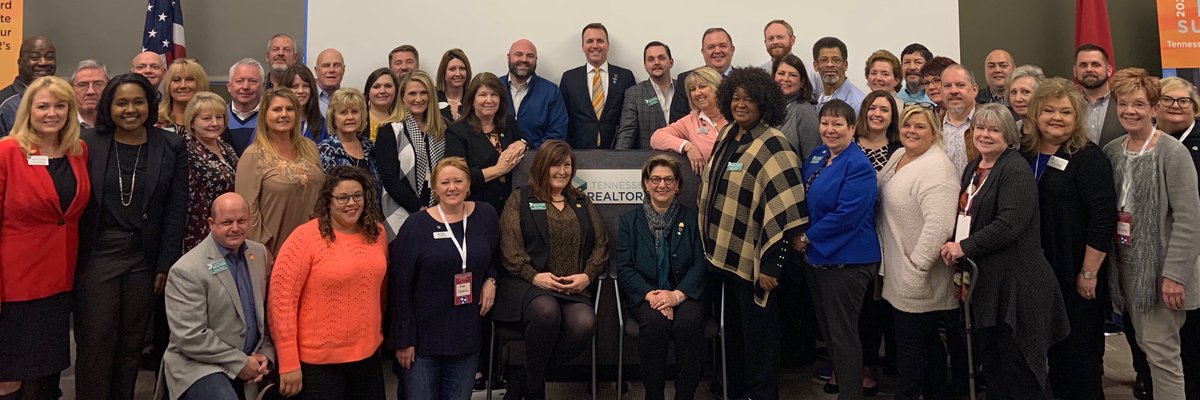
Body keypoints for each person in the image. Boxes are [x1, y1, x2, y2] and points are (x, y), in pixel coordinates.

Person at [939, 103, 1069, 398]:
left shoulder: (1014, 169)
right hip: (988, 284)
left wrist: (964, 247)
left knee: (1021, 370)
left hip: (1018, 287)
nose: (985, 135)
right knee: (995, 368)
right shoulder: (974, 168)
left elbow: (1010, 224)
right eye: (981, 128)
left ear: (1009, 135)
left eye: (994, 130)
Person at [76, 73, 188, 400]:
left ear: (150, 105)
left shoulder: (171, 145)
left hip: (144, 258)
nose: (130, 109)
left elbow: (176, 208)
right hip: (98, 256)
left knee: (131, 344)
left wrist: (165, 263)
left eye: (138, 101)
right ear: (108, 106)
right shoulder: (87, 144)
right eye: (121, 102)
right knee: (96, 343)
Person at [699, 67, 807, 400]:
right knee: (732, 331)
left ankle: (762, 393)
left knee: (759, 335)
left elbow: (786, 211)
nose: (740, 104)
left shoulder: (774, 144)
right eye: (735, 97)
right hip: (723, 255)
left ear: (765, 103)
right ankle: (734, 389)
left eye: (749, 99)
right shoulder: (727, 134)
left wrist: (772, 267)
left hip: (757, 261)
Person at [1103, 68, 1200, 400]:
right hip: (1127, 266)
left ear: (1155, 108)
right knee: (1144, 347)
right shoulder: (1113, 151)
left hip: (1161, 269)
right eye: (1124, 103)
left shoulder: (1172, 153)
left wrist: (1174, 275)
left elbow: (1189, 219)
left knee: (1163, 356)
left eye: (1139, 104)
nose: (1131, 111)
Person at [1020, 77, 1116, 400]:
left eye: (1065, 112)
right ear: (1035, 114)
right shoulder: (1023, 154)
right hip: (1036, 273)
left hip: (1075, 274)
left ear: (1077, 118)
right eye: (1048, 110)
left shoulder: (1088, 157)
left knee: (1078, 359)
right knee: (1049, 357)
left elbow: (1103, 220)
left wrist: (1089, 273)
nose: (1056, 118)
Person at [494, 140, 608, 400]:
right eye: (555, 164)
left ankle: (526, 376)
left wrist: (587, 275)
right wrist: (533, 275)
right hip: (528, 285)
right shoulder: (521, 198)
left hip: (572, 287)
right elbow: (509, 247)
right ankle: (535, 391)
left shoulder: (581, 201)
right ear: (542, 166)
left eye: (567, 165)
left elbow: (601, 245)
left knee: (584, 323)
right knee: (547, 312)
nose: (562, 171)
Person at [0, 76, 89, 400]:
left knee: (48, 375)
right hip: (15, 285)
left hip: (60, 280)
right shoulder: (7, 151)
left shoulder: (77, 151)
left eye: (60, 105)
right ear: (28, 110)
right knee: (12, 377)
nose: (52, 113)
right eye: (43, 106)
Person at [268, 166, 388, 399]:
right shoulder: (304, 238)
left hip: (368, 356)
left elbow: (379, 292)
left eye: (357, 196)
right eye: (342, 197)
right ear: (328, 201)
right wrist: (288, 361)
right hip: (318, 364)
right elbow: (281, 303)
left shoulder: (377, 233)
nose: (351, 203)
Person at [388, 157, 500, 400]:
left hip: (466, 338)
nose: (452, 188)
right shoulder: (416, 226)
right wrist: (403, 340)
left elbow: (492, 256)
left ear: (468, 185)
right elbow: (400, 287)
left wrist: (491, 280)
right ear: (435, 187)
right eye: (445, 182)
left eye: (458, 181)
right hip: (422, 344)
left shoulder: (486, 215)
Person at [799, 99, 881, 399]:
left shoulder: (858, 165)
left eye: (838, 124)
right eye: (825, 123)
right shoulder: (818, 155)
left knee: (843, 336)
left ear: (852, 128)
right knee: (831, 336)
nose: (830, 130)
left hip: (848, 262)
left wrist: (806, 238)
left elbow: (848, 215)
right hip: (818, 261)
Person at [876, 105, 959, 400]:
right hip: (899, 270)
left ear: (934, 131)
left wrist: (917, 268)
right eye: (907, 125)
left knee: (911, 349)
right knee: (926, 344)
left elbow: (939, 225)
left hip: (919, 275)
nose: (911, 131)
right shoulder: (900, 155)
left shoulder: (937, 168)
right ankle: (939, 393)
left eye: (920, 126)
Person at [156, 193, 275, 400]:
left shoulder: (259, 254)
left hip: (252, 363)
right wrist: (240, 362)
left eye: (241, 221)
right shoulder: (187, 270)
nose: (235, 228)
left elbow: (266, 315)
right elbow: (190, 336)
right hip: (200, 365)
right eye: (227, 222)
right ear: (211, 223)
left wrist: (266, 354)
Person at [616, 154, 706, 400]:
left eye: (668, 179)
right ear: (646, 183)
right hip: (649, 295)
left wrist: (676, 296)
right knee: (654, 325)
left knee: (688, 324)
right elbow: (624, 267)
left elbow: (700, 264)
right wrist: (652, 296)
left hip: (685, 294)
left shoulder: (693, 219)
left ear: (678, 185)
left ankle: (685, 395)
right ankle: (653, 394)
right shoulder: (629, 222)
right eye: (655, 179)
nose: (662, 185)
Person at [234, 87, 325, 256]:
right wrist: (261, 250)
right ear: (264, 115)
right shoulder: (254, 155)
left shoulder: (310, 147)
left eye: (290, 109)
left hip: (313, 245)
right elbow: (247, 210)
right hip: (272, 249)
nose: (284, 114)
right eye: (277, 109)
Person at [1157, 76, 1200, 400]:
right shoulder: (1148, 143)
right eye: (1167, 100)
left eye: (1182, 101)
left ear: (1194, 107)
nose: (1175, 106)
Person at [375, 70, 448, 235]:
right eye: (412, 93)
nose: (418, 99)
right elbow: (389, 178)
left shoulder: (441, 129)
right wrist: (419, 208)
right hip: (400, 211)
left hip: (439, 209)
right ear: (402, 97)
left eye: (424, 93)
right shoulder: (389, 130)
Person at [445, 72, 527, 214]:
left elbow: (525, 145)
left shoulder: (509, 122)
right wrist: (498, 170)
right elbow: (458, 176)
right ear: (472, 99)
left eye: (494, 95)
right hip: (475, 209)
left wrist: (523, 143)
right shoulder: (457, 131)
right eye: (483, 95)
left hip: (512, 208)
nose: (489, 100)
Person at [560, 23, 636, 149]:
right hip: (578, 152)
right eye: (589, 41)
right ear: (583, 46)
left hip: (616, 151)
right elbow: (563, 119)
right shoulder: (569, 78)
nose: (595, 46)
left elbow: (631, 119)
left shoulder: (625, 76)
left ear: (608, 45)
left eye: (600, 41)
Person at [180, 92, 240, 252]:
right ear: (192, 122)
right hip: (198, 232)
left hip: (229, 230)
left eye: (219, 117)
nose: (214, 123)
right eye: (206, 118)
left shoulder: (226, 148)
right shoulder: (184, 150)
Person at [651, 67, 727, 174]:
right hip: (709, 186)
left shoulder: (735, 116)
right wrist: (688, 146)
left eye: (702, 86)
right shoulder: (690, 121)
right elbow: (656, 138)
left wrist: (733, 167)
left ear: (717, 88)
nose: (697, 93)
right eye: (692, 89)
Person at [501, 39, 567, 149]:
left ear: (536, 60)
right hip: (496, 161)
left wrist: (528, 147)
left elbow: (558, 133)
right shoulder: (494, 89)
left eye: (530, 56)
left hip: (538, 161)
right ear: (509, 57)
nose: (524, 59)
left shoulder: (551, 92)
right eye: (518, 54)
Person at [615, 41, 675, 150]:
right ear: (645, 65)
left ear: (671, 62)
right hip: (649, 161)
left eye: (661, 58)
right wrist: (618, 161)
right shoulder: (634, 94)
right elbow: (627, 132)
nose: (656, 62)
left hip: (683, 159)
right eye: (651, 59)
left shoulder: (684, 88)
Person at [669, 28, 736, 123]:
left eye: (723, 46)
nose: (717, 51)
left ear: (732, 50)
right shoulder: (686, 80)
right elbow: (676, 121)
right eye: (711, 47)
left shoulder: (746, 80)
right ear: (703, 52)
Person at [319, 88, 378, 187]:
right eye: (343, 112)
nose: (350, 117)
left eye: (355, 112)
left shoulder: (369, 146)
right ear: (333, 117)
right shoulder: (325, 149)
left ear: (362, 116)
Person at [0, 36, 57, 136]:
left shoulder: (64, 99)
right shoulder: (4, 104)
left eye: (49, 57)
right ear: (19, 63)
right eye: (35, 57)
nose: (43, 62)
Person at [774, 53, 820, 158]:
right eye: (781, 73)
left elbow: (812, 158)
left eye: (792, 75)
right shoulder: (766, 108)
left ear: (802, 82)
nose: (785, 79)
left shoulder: (805, 112)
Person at [1075, 44, 1122, 147]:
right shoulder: (1068, 103)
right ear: (1075, 71)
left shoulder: (1123, 102)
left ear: (1109, 70)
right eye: (1083, 65)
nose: (1089, 69)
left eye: (1095, 65)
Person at [759, 20, 821, 95]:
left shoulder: (811, 71)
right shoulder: (759, 73)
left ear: (792, 40)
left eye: (780, 37)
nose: (775, 42)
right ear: (765, 43)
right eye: (770, 38)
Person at [940, 64, 978, 174]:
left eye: (960, 85)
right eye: (947, 86)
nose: (953, 91)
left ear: (974, 90)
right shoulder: (933, 126)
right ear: (941, 92)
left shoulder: (991, 123)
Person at [813, 37, 866, 114]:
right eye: (824, 60)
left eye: (836, 60)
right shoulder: (820, 98)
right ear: (815, 65)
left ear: (845, 65)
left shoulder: (857, 103)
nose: (830, 64)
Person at [223, 58, 265, 155]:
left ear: (263, 86)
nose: (245, 87)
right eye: (240, 81)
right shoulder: (218, 117)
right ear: (229, 86)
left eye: (253, 81)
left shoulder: (271, 117)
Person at [156, 59, 209, 132]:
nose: (183, 85)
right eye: (176, 80)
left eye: (189, 79)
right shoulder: (155, 120)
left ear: (200, 84)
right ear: (168, 86)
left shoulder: (214, 121)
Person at [281, 63, 328, 143]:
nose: (300, 91)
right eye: (294, 86)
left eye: (305, 86)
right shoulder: (279, 121)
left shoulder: (321, 125)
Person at [856, 90, 902, 170]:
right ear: (864, 112)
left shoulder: (900, 150)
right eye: (872, 108)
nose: (877, 114)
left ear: (892, 118)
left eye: (884, 110)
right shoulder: (848, 142)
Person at [435, 49, 472, 122]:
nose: (458, 74)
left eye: (462, 69)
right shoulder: (433, 97)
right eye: (452, 69)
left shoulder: (473, 98)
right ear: (443, 72)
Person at [363, 67, 399, 142]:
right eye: (376, 87)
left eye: (388, 86)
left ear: (396, 90)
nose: (382, 91)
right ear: (368, 92)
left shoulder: (404, 118)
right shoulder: (359, 118)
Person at [71, 59, 108, 129]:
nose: (91, 91)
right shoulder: (63, 125)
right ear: (72, 89)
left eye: (98, 84)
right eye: (82, 85)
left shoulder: (117, 124)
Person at [1006, 65, 1046, 130]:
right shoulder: (1013, 131)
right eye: (1013, 92)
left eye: (1025, 92)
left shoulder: (1050, 131)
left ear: (1040, 94)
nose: (1017, 99)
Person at [314, 48, 345, 115]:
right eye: (326, 66)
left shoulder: (349, 100)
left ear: (343, 70)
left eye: (336, 65)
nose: (331, 70)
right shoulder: (305, 98)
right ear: (316, 70)